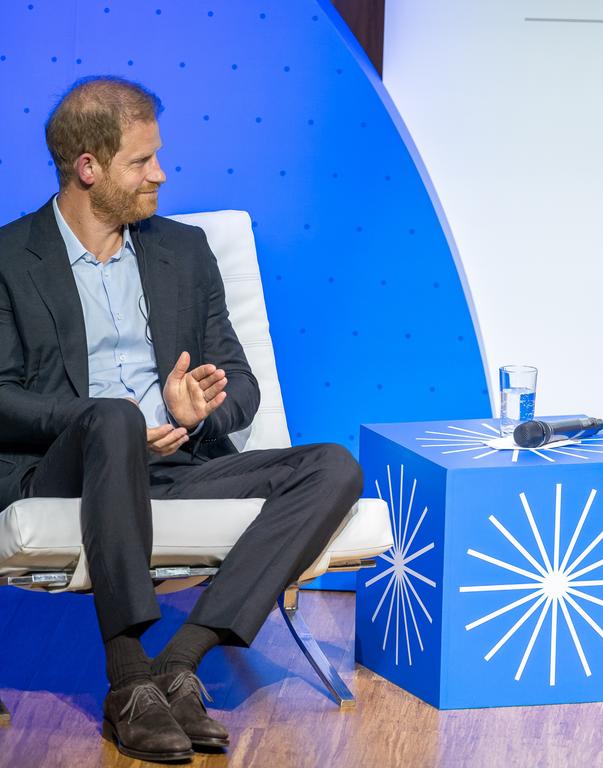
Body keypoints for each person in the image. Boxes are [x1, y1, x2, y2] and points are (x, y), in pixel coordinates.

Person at [0, 76, 363, 762]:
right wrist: (101, 419)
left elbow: (242, 381)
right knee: (109, 418)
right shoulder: (8, 258)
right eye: (141, 161)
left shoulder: (184, 252)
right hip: (66, 469)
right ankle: (129, 680)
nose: (160, 174)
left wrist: (199, 413)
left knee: (333, 466)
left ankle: (182, 661)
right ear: (88, 168)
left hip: (173, 464)